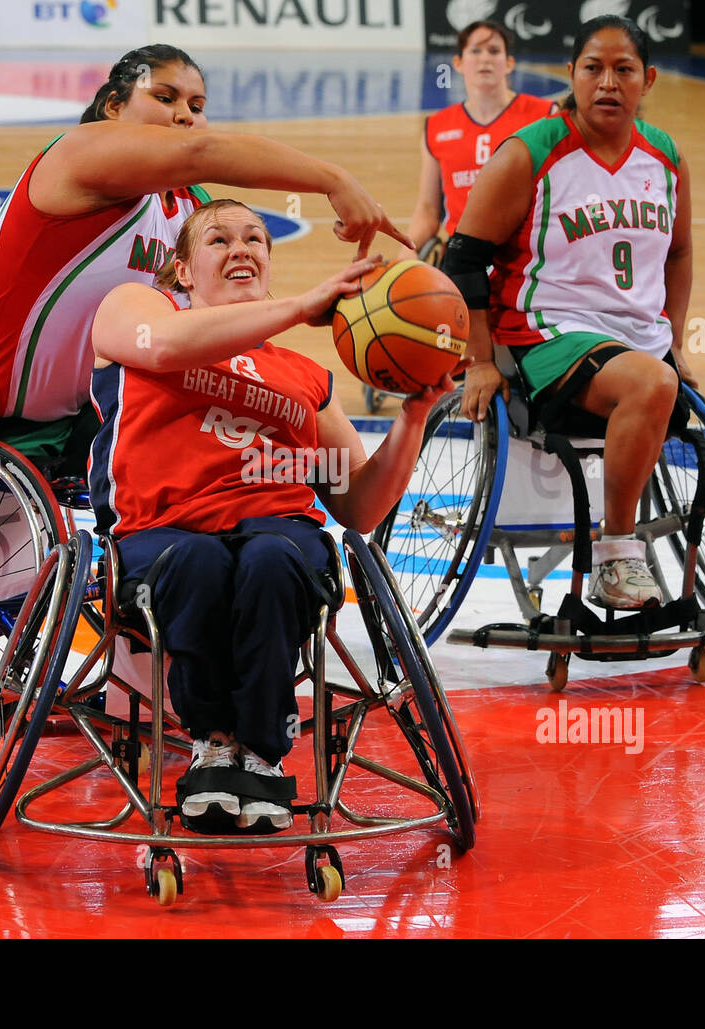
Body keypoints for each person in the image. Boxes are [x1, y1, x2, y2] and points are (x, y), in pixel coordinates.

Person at [88, 199, 462, 833]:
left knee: (269, 556)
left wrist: (413, 417)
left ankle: (259, 756)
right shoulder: (135, 310)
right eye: (219, 239)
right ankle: (211, 741)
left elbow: (361, 504)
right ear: (181, 270)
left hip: (278, 535)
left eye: (256, 238)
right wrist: (300, 305)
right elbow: (171, 343)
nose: (242, 248)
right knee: (202, 559)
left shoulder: (303, 374)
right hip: (163, 535)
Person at [0, 44, 409, 473]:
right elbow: (201, 152)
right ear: (114, 107)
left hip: (94, 415)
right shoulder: (78, 156)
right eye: (165, 98)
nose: (185, 115)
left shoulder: (192, 205)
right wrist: (335, 180)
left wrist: (333, 307)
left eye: (197, 107)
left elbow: (217, 311)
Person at [441, 15, 696, 610]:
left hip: (636, 340)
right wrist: (480, 363)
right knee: (651, 383)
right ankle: (615, 555)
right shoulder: (529, 152)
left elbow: (680, 252)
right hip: (545, 336)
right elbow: (463, 259)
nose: (608, 82)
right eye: (593, 68)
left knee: (656, 373)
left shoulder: (665, 156)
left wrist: (676, 338)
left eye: (623, 69)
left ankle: (626, 544)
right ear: (571, 74)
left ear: (648, 79)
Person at [401, 20, 557, 263]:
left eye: (494, 51)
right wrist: (404, 257)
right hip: (463, 255)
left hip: (527, 252)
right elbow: (428, 211)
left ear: (509, 64)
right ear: (459, 63)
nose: (485, 58)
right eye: (475, 51)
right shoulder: (437, 126)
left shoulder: (545, 115)